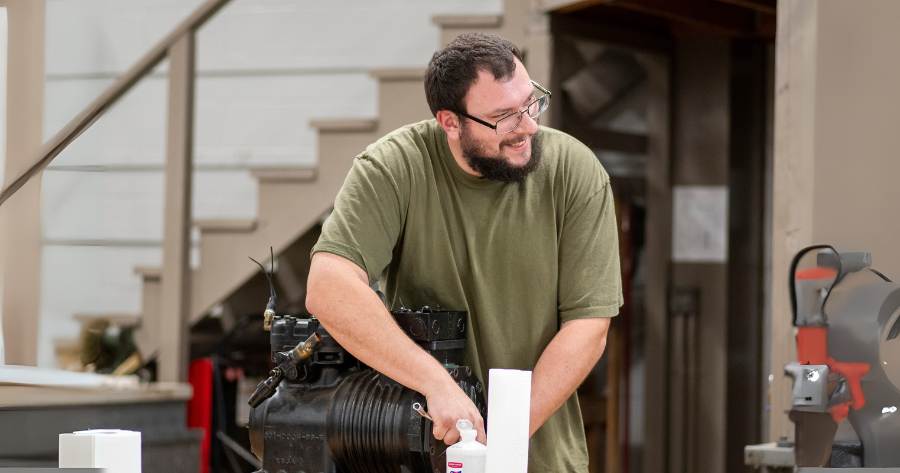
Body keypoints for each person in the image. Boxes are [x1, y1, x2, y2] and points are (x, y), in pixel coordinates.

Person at [305, 32, 622, 473]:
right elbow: (328, 288)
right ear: (451, 122)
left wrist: (497, 443)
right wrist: (436, 383)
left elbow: (588, 326)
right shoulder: (394, 167)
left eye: (531, 103)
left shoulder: (574, 170)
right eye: (504, 117)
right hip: (416, 453)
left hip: (542, 460)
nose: (527, 126)